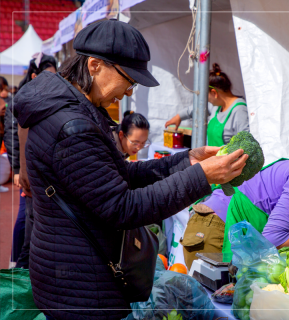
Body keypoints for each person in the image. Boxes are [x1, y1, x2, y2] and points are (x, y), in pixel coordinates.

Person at [13, 20, 247, 320]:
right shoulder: (72, 127)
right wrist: (201, 177)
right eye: (128, 79)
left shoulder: (69, 109)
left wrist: (185, 161)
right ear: (95, 65)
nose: (128, 92)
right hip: (81, 285)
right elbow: (124, 207)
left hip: (70, 271)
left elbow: (120, 174)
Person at [4, 53, 57, 269]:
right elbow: (12, 135)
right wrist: (18, 168)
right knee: (24, 218)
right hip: (27, 170)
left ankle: (24, 265)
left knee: (33, 220)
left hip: (40, 170)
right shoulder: (22, 99)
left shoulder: (49, 97)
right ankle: (15, 263)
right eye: (48, 76)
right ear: (35, 75)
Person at [165, 63, 249, 146]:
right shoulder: (216, 107)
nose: (206, 100)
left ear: (214, 93)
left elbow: (245, 144)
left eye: (205, 95)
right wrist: (179, 117)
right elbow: (198, 108)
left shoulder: (240, 110)